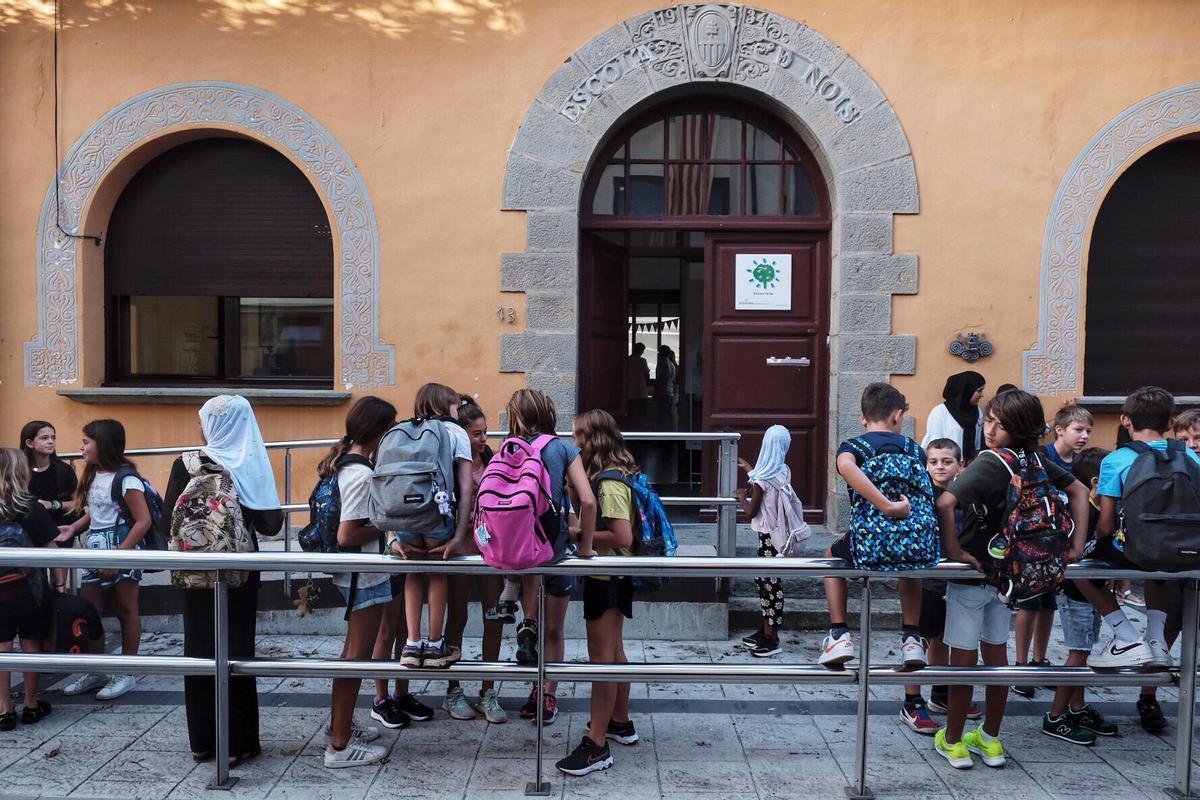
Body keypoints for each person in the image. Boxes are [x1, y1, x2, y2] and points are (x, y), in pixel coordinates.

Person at [932, 390, 1088, 770]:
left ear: (1014, 428)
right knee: (998, 657)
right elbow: (1080, 491)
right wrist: (1075, 546)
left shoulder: (991, 462)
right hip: (1012, 576)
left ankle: (953, 740)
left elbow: (945, 503)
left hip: (974, 573)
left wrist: (953, 551)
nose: (989, 429)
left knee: (963, 659)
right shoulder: (1034, 458)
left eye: (998, 424)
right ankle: (991, 739)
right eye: (989, 421)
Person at [158, 395, 283, 767]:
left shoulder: (186, 463)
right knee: (237, 652)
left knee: (198, 651)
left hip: (194, 572)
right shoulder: (248, 461)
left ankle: (201, 743)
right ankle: (237, 744)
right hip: (239, 575)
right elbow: (272, 525)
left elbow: (167, 522)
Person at [1081, 387, 1200, 672]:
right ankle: (1157, 641)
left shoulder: (1116, 460)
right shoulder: (1192, 458)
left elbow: (1106, 525)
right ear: (1170, 423)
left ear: (1125, 420)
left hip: (1136, 548)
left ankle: (1127, 637)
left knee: (1081, 571)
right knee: (1159, 564)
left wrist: (1096, 539)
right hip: (1183, 549)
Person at [820, 383, 929, 670]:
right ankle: (911, 638)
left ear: (863, 419)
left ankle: (839, 634)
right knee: (911, 568)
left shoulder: (855, 447)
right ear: (897, 416)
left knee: (830, 556)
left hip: (868, 543)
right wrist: (897, 508)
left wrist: (884, 506)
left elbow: (845, 466)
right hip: (912, 543)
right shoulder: (914, 450)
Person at [505, 388, 596, 725]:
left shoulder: (511, 447)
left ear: (516, 416)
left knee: (536, 624)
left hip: (520, 551)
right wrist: (585, 545)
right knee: (555, 632)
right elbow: (587, 501)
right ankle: (546, 696)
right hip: (553, 550)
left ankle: (527, 627)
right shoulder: (563, 448)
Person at [556, 409, 636, 777]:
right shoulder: (608, 477)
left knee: (600, 660)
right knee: (614, 652)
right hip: (613, 576)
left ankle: (597, 743)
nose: (574, 444)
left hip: (608, 577)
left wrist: (578, 536)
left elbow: (622, 537)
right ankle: (620, 721)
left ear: (594, 440)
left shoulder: (610, 483)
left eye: (578, 438)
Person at [320, 396, 397, 768]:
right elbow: (347, 534)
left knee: (351, 654)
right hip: (362, 576)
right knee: (356, 657)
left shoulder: (344, 462)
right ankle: (339, 746)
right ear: (379, 433)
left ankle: (341, 726)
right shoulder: (361, 474)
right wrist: (386, 525)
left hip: (359, 574)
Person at [57, 419, 154, 702]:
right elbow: (97, 511)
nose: (81, 447)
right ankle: (96, 668)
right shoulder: (92, 474)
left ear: (104, 444)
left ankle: (126, 670)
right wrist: (74, 528)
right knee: (89, 611)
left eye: (86, 442)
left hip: (121, 546)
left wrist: (120, 554)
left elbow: (143, 520)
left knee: (126, 609)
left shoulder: (127, 478)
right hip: (95, 546)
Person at [388, 383, 474, 671]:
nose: (458, 409)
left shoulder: (405, 431)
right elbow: (465, 488)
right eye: (454, 404)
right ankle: (435, 645)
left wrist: (392, 535)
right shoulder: (456, 432)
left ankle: (412, 644)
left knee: (414, 571)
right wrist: (459, 536)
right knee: (437, 572)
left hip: (404, 517)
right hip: (438, 515)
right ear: (444, 405)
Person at [1012, 404, 1094, 698]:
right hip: (1035, 543)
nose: (1084, 436)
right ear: (1059, 430)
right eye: (1078, 430)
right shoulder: (1042, 457)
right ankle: (1021, 665)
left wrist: (1077, 544)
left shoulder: (1083, 463)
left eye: (1088, 431)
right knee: (1029, 604)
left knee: (1048, 605)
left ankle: (1039, 660)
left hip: (1062, 543)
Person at [902, 439, 979, 733]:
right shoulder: (923, 495)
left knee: (943, 638)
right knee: (918, 640)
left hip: (954, 580)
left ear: (960, 465)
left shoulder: (966, 495)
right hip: (927, 581)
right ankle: (911, 700)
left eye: (946, 461)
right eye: (933, 462)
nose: (939, 467)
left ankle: (942, 692)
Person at [1042, 447, 1119, 745]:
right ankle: (1056, 715)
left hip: (1092, 594)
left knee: (1084, 651)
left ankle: (1076, 707)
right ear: (1098, 483)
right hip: (1075, 593)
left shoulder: (1102, 509)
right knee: (1077, 653)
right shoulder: (1084, 514)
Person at [442, 399, 507, 723]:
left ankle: (488, 690)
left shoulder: (494, 461)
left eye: (485, 433)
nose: (483, 439)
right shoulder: (451, 466)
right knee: (457, 617)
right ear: (461, 434)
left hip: (490, 551)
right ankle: (452, 690)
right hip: (457, 550)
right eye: (477, 433)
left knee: (493, 615)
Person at [735, 425, 809, 658]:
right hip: (778, 539)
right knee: (767, 583)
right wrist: (749, 469)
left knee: (769, 587)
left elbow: (750, 511)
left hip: (768, 540)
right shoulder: (782, 472)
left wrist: (741, 498)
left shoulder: (761, 482)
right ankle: (766, 630)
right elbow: (764, 473)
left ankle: (772, 637)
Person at [0, 448, 61, 730]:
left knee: (1, 647)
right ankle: (32, 704)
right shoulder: (31, 507)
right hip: (30, 590)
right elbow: (52, 549)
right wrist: (59, 584)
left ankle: (4, 708)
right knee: (30, 643)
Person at [19, 421, 78, 527]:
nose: (51, 442)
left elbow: (78, 503)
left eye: (53, 438)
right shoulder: (18, 470)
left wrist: (53, 505)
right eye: (44, 438)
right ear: (29, 443)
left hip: (60, 529)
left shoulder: (64, 470)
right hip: (26, 530)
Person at [922, 371, 986, 462]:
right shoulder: (940, 412)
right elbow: (934, 447)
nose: (982, 394)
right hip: (945, 469)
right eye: (979, 391)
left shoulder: (977, 412)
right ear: (967, 391)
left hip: (969, 469)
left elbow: (977, 447)